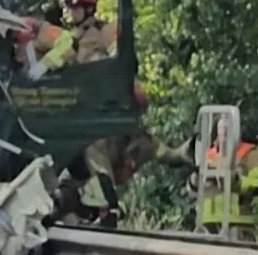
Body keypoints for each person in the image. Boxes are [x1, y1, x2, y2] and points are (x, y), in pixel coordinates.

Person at [63, 83, 188, 225]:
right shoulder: (99, 133)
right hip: (80, 185)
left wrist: (188, 150)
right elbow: (100, 171)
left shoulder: (143, 142)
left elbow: (168, 155)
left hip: (100, 199)